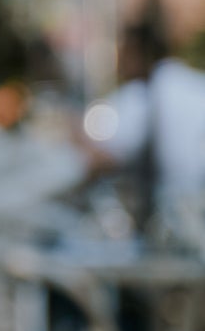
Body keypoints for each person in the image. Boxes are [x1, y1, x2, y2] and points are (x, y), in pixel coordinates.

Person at [86, 20, 205, 219]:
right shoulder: (191, 82)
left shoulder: (143, 94)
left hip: (176, 213)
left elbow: (104, 158)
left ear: (136, 52)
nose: (119, 62)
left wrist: (68, 132)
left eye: (122, 53)